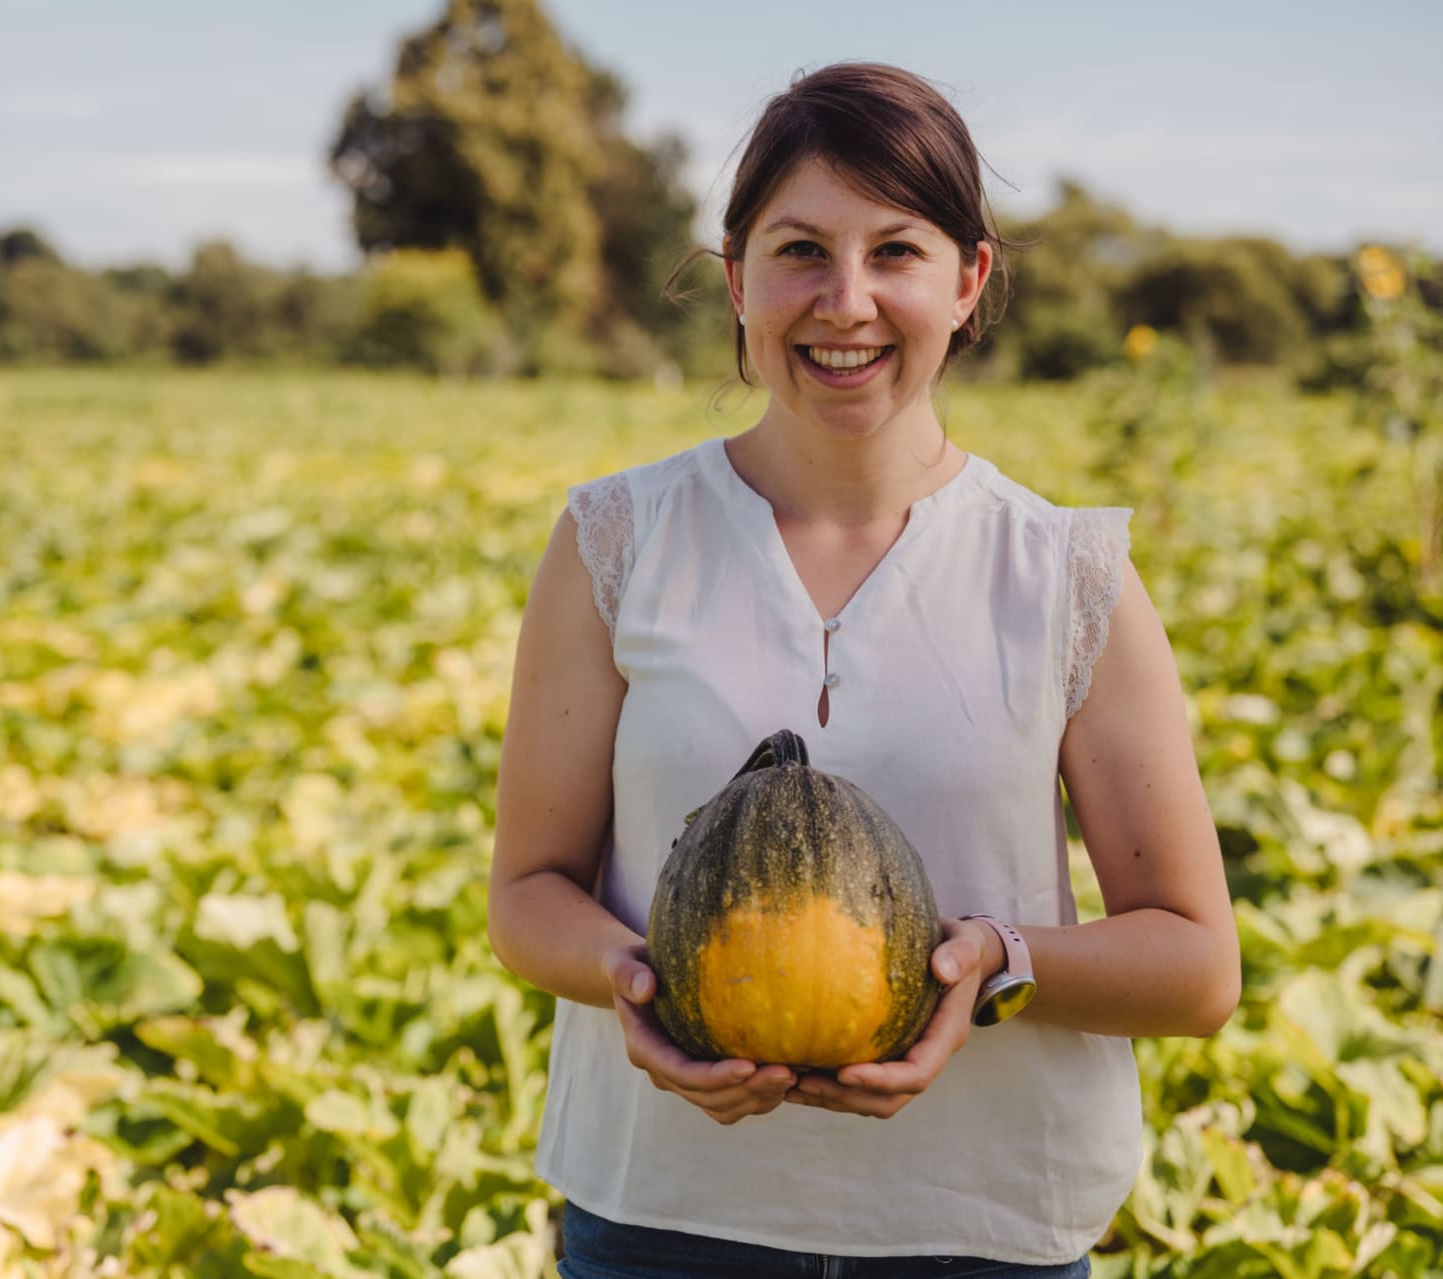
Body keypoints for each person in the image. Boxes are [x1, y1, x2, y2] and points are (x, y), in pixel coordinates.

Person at [487, 61, 1241, 1278]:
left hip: (986, 1228)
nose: (846, 303)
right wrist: (640, 979)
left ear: (968, 280)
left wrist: (992, 963)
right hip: (663, 1219)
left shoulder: (1065, 571)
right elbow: (528, 892)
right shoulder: (616, 540)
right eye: (800, 251)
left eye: (896, 251)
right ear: (736, 280)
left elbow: (1197, 966)